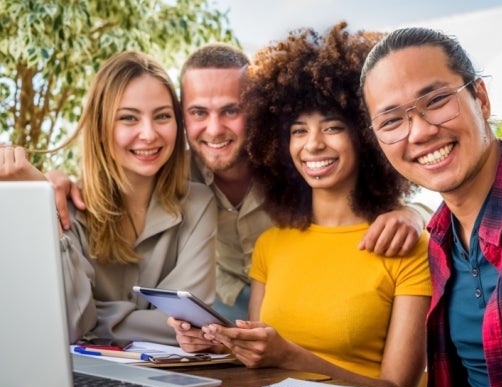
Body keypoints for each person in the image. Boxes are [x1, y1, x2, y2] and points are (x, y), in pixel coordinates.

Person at [50, 43, 432, 323]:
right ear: (183, 115)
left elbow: (380, 189)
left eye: (231, 110)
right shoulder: (168, 171)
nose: (214, 129)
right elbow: (108, 175)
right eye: (198, 112)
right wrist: (54, 184)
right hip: (214, 319)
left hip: (307, 312)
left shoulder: (299, 160)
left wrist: (412, 213)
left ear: (257, 108)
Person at [169, 23, 432, 387]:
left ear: (366, 136)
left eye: (333, 127)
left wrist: (291, 357)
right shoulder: (272, 245)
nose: (313, 145)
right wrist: (217, 342)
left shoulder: (407, 246)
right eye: (298, 131)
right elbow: (258, 357)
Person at [360, 27, 502, 387]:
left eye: (437, 100)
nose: (419, 132)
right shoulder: (438, 237)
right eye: (391, 121)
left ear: (481, 99)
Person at [0, 51, 217, 345]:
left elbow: (188, 325)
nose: (149, 134)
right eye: (128, 118)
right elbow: (70, 326)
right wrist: (44, 213)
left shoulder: (199, 204)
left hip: (169, 378)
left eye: (162, 116)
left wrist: (95, 319)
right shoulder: (66, 210)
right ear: (101, 129)